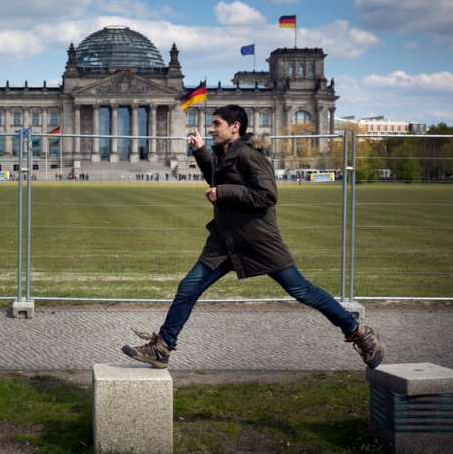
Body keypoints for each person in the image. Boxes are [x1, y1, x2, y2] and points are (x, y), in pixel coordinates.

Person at [123, 104, 384, 370]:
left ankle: (359, 332)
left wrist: (223, 192)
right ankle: (163, 347)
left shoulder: (249, 156)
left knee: (302, 291)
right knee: (188, 288)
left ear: (234, 127)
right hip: (226, 240)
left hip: (258, 240)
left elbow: (267, 196)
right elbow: (216, 178)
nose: (212, 129)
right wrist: (201, 151)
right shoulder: (226, 154)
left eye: (216, 124)